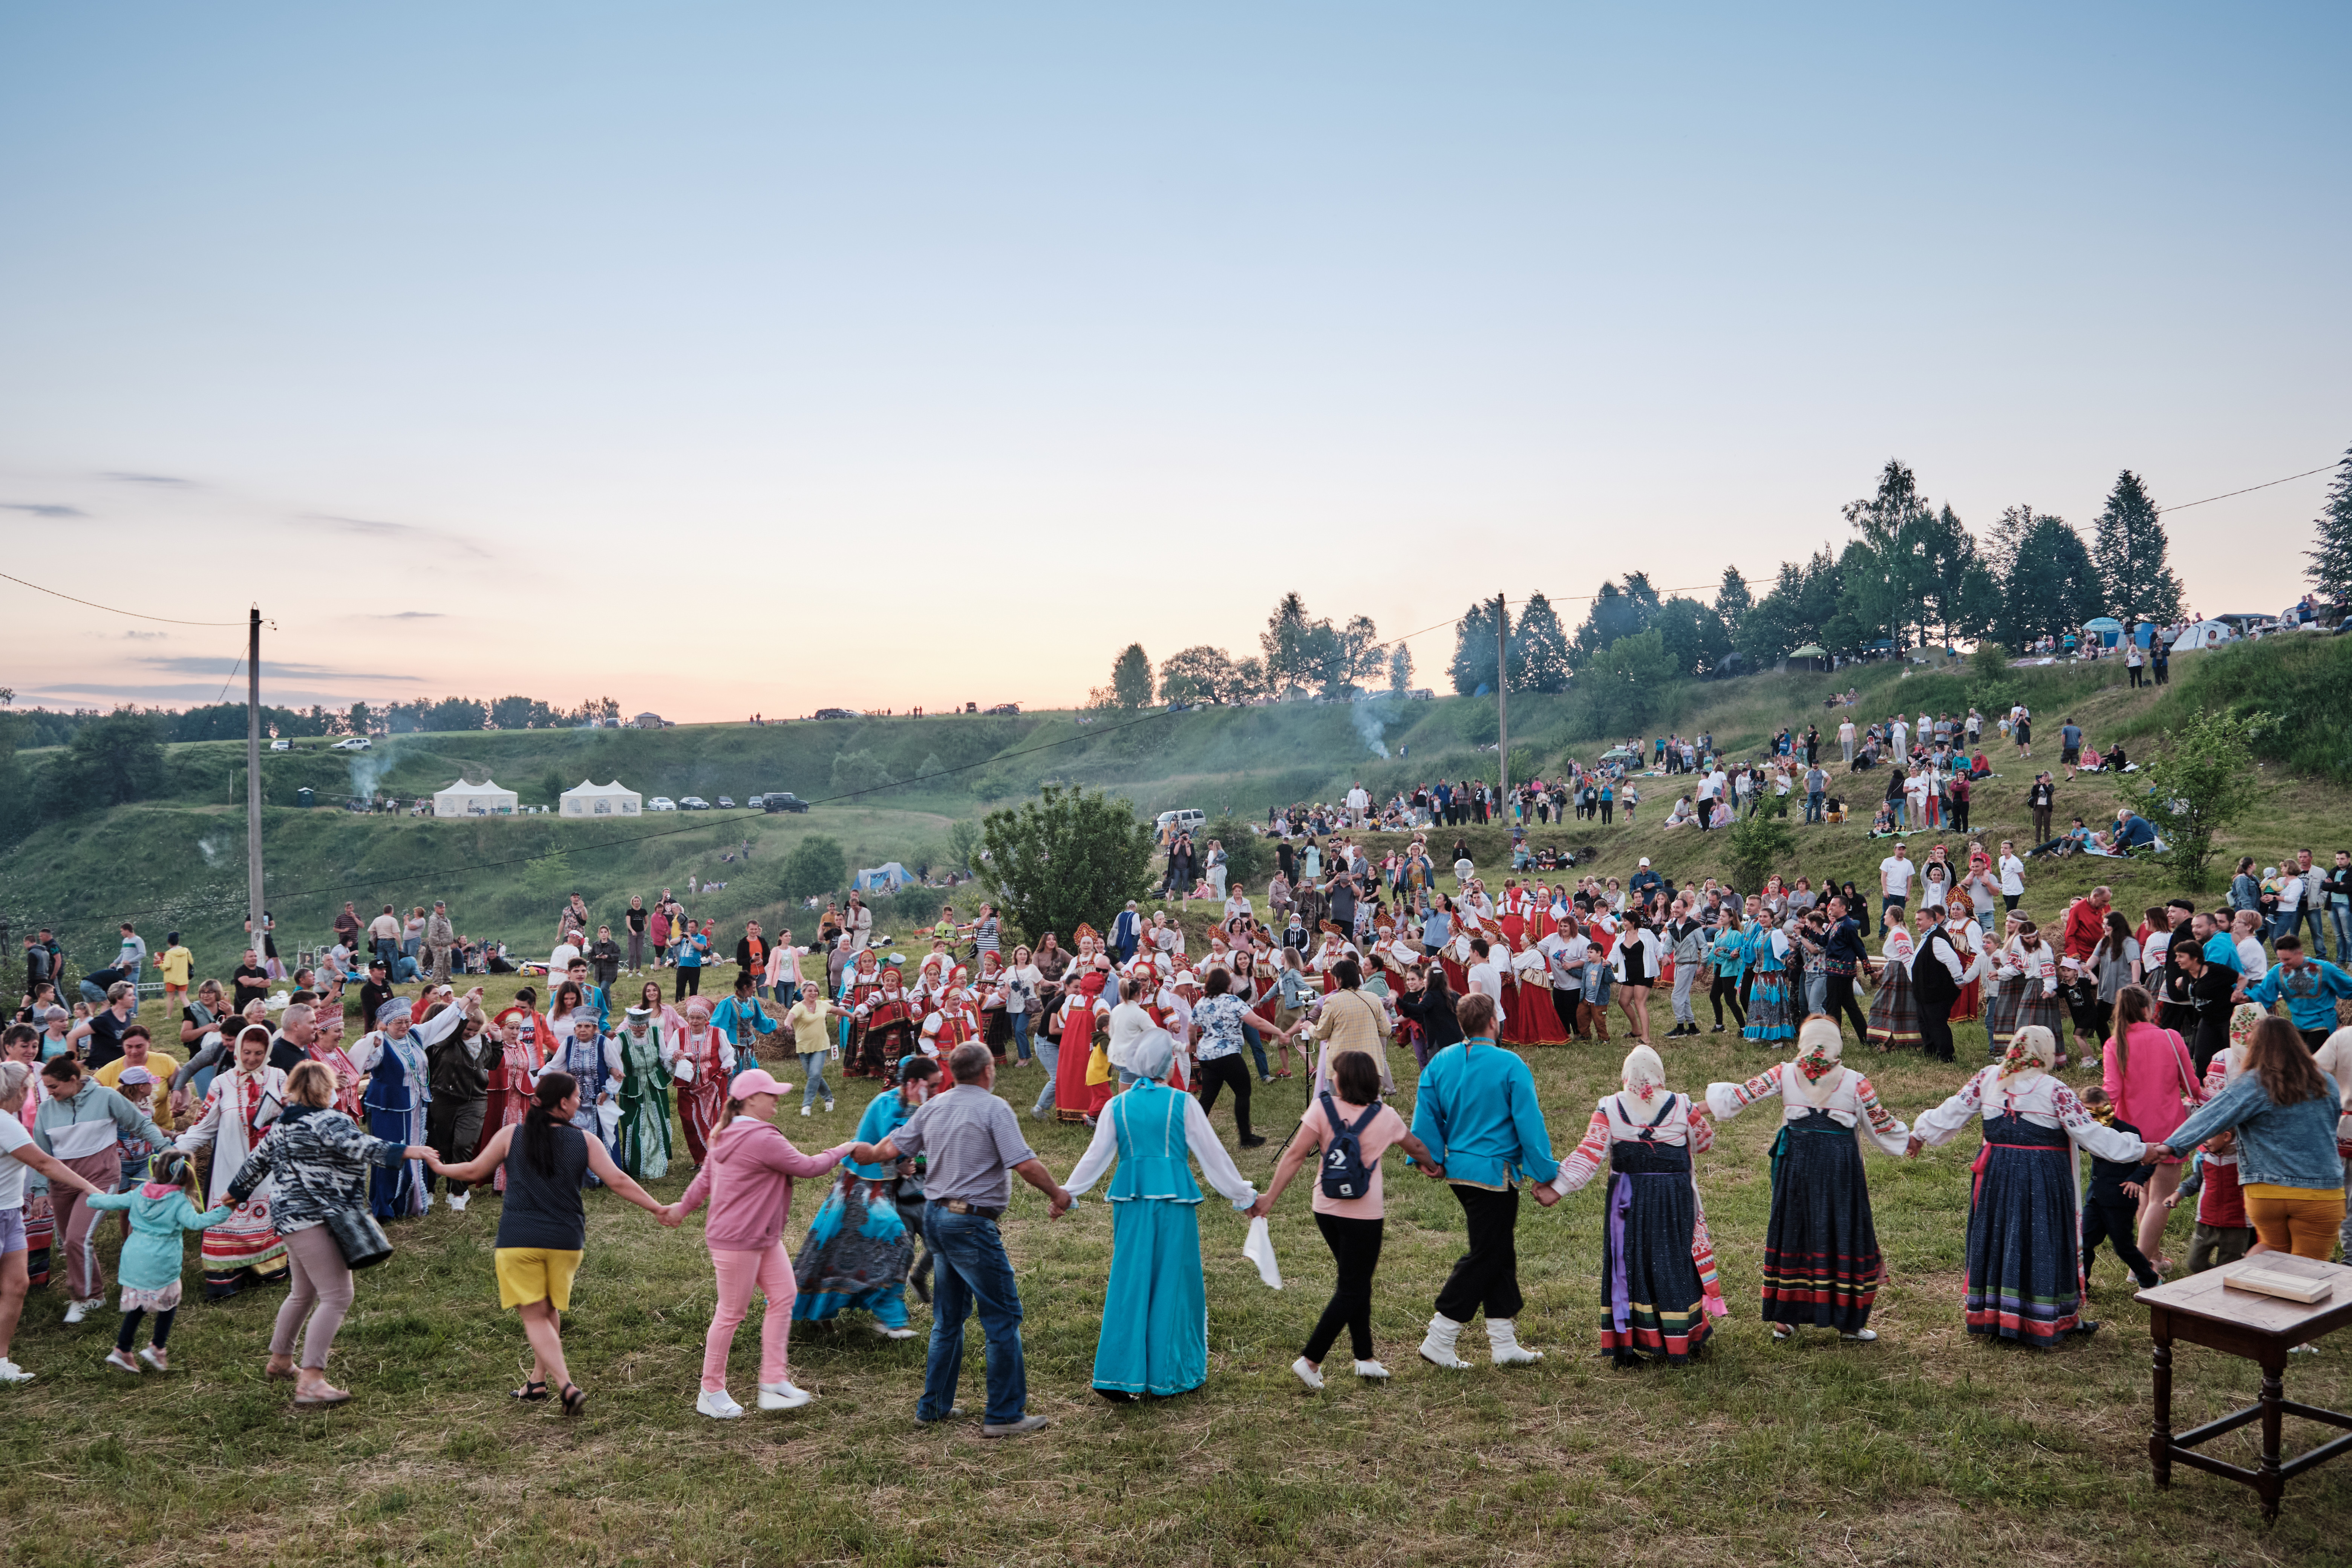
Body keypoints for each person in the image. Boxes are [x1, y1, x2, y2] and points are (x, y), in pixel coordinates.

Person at [851, 1043, 1072, 1437]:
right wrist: (1058, 1194)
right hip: (969, 1224)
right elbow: (1024, 1163)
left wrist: (865, 1153)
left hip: (937, 1218)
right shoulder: (994, 1108)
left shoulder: (934, 1107)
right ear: (988, 1070)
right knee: (1002, 1316)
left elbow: (890, 1147)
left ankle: (933, 1406)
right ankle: (1004, 1415)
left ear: (953, 1073)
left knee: (949, 1318)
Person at [424, 1070, 672, 1415]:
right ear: (562, 1103)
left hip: (519, 1240)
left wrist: (438, 1166)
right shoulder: (585, 1140)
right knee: (548, 1310)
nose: (579, 1101)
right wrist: (658, 1208)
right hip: (566, 1241)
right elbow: (617, 1180)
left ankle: (566, 1384)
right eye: (576, 1097)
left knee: (535, 1316)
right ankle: (537, 1382)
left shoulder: (512, 1135)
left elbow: (472, 1172)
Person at [1906, 1026, 2148, 1347]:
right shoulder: (2054, 1089)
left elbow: (1953, 1109)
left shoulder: (1988, 1078)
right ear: (2045, 1052)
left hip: (1996, 1176)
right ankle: (2042, 1316)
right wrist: (2141, 1148)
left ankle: (1996, 1316)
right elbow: (2092, 1135)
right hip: (2042, 1179)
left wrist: (1919, 1134)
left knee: (2000, 1236)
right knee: (2042, 1238)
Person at [1061, 1029, 1258, 1400]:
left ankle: (1119, 1375)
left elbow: (1095, 1156)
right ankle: (1169, 1374)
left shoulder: (1117, 1106)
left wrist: (1067, 1193)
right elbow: (1213, 1155)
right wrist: (1243, 1195)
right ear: (1168, 1064)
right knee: (1174, 1280)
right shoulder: (1183, 1103)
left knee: (1130, 1277)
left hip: (1131, 1199)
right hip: (1173, 1199)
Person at [228, 1061, 437, 1405]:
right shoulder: (330, 1120)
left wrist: (233, 1194)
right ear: (328, 1089)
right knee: (338, 1296)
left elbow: (256, 1163)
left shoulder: (281, 1124)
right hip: (317, 1216)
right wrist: (409, 1151)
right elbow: (361, 1145)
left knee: (303, 1293)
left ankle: (280, 1361)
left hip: (288, 1218)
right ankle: (311, 1380)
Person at [1706, 1017, 1909, 1342]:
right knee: (1843, 1232)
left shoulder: (1785, 1073)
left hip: (1797, 1168)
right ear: (1837, 1044)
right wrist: (1911, 1139)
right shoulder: (1856, 1082)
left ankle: (1786, 1321)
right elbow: (1881, 1125)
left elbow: (1740, 1096)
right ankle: (1847, 1322)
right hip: (1840, 1171)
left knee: (1794, 1233)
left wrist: (1687, 1108)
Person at [1251, 1047, 1443, 1389]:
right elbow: (1414, 1147)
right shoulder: (1386, 1116)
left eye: (1335, 1073)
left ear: (1344, 1079)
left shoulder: (1322, 1109)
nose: (1332, 1077)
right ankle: (1311, 1360)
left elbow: (1295, 1155)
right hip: (1364, 1214)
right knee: (1353, 1285)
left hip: (1325, 1208)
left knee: (1356, 1281)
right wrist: (1433, 1166)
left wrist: (1269, 1199)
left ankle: (1365, 1357)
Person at [668, 1067, 854, 1418]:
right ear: (752, 1099)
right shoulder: (761, 1137)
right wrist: (844, 1149)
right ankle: (710, 1390)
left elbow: (705, 1179)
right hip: (738, 1239)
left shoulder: (726, 1133)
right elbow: (808, 1166)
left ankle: (773, 1382)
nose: (777, 1099)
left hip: (761, 1235)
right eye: (771, 1094)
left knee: (784, 1296)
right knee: (731, 1313)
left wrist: (682, 1208)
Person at [1407, 993, 1559, 1370]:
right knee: (1487, 1254)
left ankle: (1503, 1342)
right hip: (1495, 1173)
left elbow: (1427, 1115)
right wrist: (1546, 1172)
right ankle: (1440, 1336)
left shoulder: (1440, 1061)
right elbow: (1529, 1122)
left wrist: (1429, 1158)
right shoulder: (1511, 1063)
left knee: (1498, 1250)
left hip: (1460, 1171)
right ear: (1494, 1021)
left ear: (1462, 1024)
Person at [2147, 1016, 2344, 1261]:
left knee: (2271, 1249)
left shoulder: (2256, 1082)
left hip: (2266, 1193)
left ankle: (2239, 1288)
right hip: (2322, 1192)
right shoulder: (2328, 1083)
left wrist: (2171, 1145)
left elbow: (2213, 1114)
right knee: (2310, 1271)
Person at [795, 1056, 939, 1339]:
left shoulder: (916, 1106)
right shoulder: (886, 1104)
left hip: (885, 1187)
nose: (936, 1091)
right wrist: (897, 1166)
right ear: (913, 1083)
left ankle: (890, 1319)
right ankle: (882, 1319)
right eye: (932, 1086)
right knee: (886, 1240)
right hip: (860, 1186)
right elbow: (883, 1147)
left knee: (874, 1248)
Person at [0, 1058, 109, 1382]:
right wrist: (92, 1189)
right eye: (32, 1090)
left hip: (10, 1212)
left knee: (17, 1285)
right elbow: (45, 1164)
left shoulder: (10, 1122)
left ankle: (0, 1361)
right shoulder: (7, 1124)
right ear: (22, 1090)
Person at [167, 1024, 288, 1298]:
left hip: (269, 1168)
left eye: (259, 1053)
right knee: (228, 1216)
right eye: (247, 1052)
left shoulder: (280, 1079)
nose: (252, 1059)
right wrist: (177, 1148)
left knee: (266, 1212)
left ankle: (269, 1269)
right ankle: (227, 1278)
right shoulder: (222, 1083)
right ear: (238, 1050)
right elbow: (204, 1126)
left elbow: (294, 1115)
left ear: (268, 1051)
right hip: (230, 1164)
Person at [2101, 985, 2201, 1270]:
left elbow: (2112, 1091)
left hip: (2132, 1134)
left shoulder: (2114, 1044)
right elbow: (2192, 1085)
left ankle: (2154, 1257)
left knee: (2145, 1194)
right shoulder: (2171, 1038)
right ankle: (2142, 1264)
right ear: (2147, 1009)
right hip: (2169, 1130)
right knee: (2161, 1199)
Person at [350, 991, 473, 1218]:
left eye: (408, 1020)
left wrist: (466, 1000)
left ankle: (411, 1203)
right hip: (389, 1109)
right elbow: (358, 1060)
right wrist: (372, 1041)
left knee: (416, 1152)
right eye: (400, 1022)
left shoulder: (415, 1035)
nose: (406, 1026)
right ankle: (386, 1207)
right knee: (390, 1153)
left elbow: (440, 1022)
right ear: (387, 1024)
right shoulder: (380, 1043)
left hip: (416, 1108)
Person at [2074, 1087, 2162, 1292]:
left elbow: (2149, 1160)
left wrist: (2136, 1180)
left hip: (2121, 1198)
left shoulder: (2128, 1131)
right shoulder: (2088, 1132)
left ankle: (2150, 1279)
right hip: (2096, 1198)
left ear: (2111, 1107)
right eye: (2091, 1114)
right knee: (2083, 1244)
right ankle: (2080, 1287)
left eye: (2102, 1111)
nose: (2098, 1118)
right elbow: (2080, 1144)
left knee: (2123, 1247)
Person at [424, 1001, 498, 1212]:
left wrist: (498, 1042)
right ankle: (449, 1187)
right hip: (444, 1099)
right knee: (445, 1147)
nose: (470, 1033)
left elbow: (491, 1064)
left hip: (475, 1101)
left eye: (474, 1030)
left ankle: (459, 1192)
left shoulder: (484, 1041)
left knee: (463, 1145)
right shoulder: (447, 1041)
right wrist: (466, 1007)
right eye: (467, 1029)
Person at [2236, 936, 2352, 1050]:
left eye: (2287, 960)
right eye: (2280, 959)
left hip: (2322, 1023)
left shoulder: (2325, 969)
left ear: (2300, 954)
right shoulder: (2278, 971)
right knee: (2295, 1063)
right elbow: (2264, 992)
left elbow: (2348, 987)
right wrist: (2247, 997)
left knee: (2314, 1063)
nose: (2284, 963)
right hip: (2297, 1024)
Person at [665, 998, 737, 1167]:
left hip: (713, 1085)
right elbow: (669, 1055)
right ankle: (700, 1160)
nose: (695, 1021)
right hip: (688, 1087)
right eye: (692, 1018)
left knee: (714, 1121)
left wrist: (727, 1067)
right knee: (690, 1121)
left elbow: (728, 1055)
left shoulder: (718, 1033)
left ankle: (716, 1158)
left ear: (706, 1020)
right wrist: (675, 1056)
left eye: (699, 1018)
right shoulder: (680, 1034)